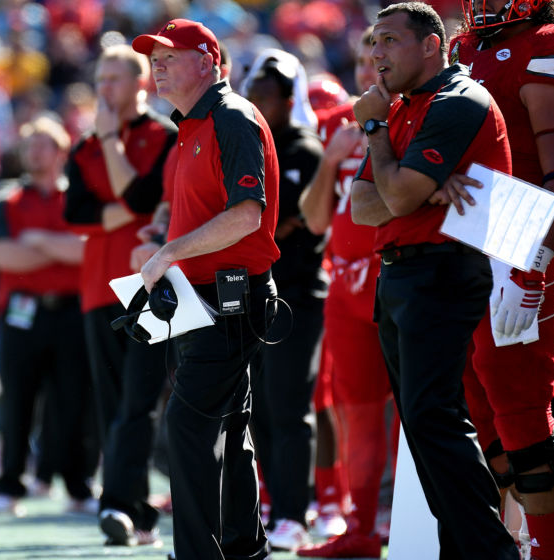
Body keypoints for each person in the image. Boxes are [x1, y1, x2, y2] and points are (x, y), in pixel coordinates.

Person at [348, 3, 519, 558]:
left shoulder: (456, 99)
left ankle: (489, 550)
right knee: (424, 426)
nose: (376, 54)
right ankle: (466, 548)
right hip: (402, 274)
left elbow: (393, 196)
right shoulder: (405, 106)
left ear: (431, 46)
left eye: (389, 41)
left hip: (443, 270)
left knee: (435, 417)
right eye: (374, 41)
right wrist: (410, 183)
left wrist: (375, 130)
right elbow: (362, 207)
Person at [132, 18, 279, 560]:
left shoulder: (230, 117)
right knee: (229, 424)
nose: (159, 65)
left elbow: (245, 215)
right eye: (155, 58)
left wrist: (168, 252)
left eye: (172, 55)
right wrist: (161, 244)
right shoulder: (193, 124)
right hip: (205, 297)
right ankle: (244, 547)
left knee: (188, 424)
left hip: (232, 295)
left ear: (207, 61)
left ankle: (198, 553)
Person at [439, 1, 554, 557]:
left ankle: (547, 550)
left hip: (528, 229)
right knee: (468, 393)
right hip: (469, 231)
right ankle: (503, 541)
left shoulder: (550, 43)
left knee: (516, 394)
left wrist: (531, 266)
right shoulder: (462, 48)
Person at [63, 44, 177, 546]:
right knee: (114, 404)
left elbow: (141, 201)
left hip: (147, 284)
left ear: (140, 83)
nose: (105, 88)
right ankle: (135, 512)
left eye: (115, 77)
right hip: (96, 288)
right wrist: (120, 206)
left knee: (139, 399)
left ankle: (119, 507)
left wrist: (111, 143)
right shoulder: (82, 146)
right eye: (101, 77)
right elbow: (77, 213)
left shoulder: (165, 135)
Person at [297, 26, 396, 558]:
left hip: (397, 275)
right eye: (362, 59)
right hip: (345, 284)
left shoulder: (422, 112)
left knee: (416, 411)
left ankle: (415, 523)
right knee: (354, 409)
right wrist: (330, 159)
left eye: (378, 56)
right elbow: (314, 221)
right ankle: (359, 527)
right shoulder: (337, 124)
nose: (368, 69)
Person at [0, 116, 99, 516]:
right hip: (22, 313)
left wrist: (36, 242)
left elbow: (88, 252)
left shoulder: (78, 198)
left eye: (42, 143)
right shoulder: (7, 201)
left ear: (60, 151)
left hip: (71, 311)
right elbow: (4, 256)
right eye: (28, 143)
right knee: (17, 401)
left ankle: (79, 486)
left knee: (75, 401)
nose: (33, 151)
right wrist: (58, 247)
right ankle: (10, 486)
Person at [242, 53, 327, 551]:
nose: (257, 104)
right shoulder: (251, 147)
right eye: (253, 94)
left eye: (267, 96)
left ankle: (297, 511)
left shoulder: (305, 150)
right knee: (261, 410)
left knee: (291, 407)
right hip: (256, 293)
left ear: (289, 101)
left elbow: (290, 226)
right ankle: (276, 505)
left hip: (296, 296)